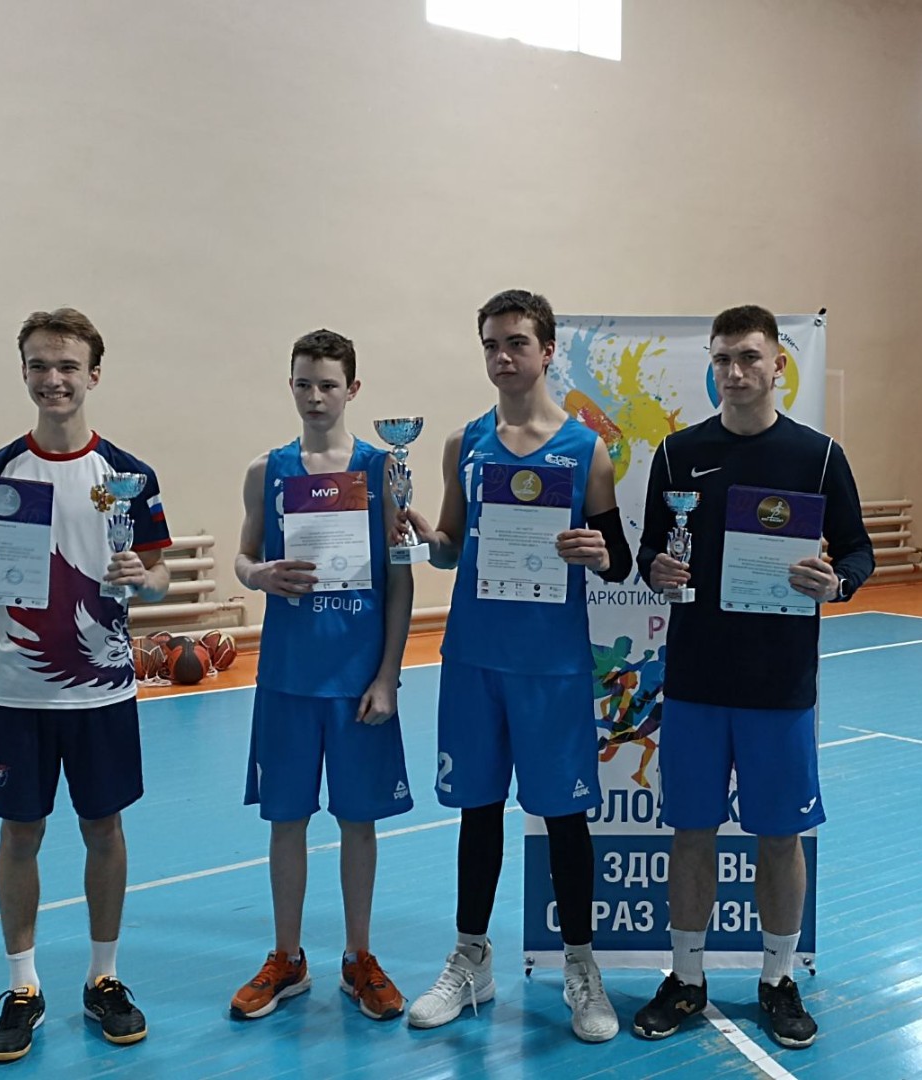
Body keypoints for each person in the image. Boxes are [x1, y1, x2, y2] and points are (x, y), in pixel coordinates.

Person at [631, 304, 873, 1049]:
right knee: (691, 832)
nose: (734, 372)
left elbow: (858, 551)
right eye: (722, 359)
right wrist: (656, 569)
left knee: (779, 835)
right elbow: (649, 552)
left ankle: (777, 979)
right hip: (697, 680)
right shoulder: (677, 454)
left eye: (748, 357)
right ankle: (686, 978)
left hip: (779, 685)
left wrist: (836, 582)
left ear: (777, 365)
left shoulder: (819, 457)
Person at [398, 289, 633, 1043]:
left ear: (547, 350)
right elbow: (450, 549)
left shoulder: (586, 450)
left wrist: (597, 551)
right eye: (492, 345)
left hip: (552, 665)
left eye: (517, 343)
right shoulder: (463, 443)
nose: (503, 357)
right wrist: (426, 537)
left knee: (564, 818)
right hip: (475, 658)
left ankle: (581, 967)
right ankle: (471, 960)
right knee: (477, 811)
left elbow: (618, 559)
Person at [0, 308, 172, 1062]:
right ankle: (23, 987)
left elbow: (160, 578)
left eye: (68, 365)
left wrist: (146, 579)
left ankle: (105, 978)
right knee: (20, 834)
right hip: (17, 691)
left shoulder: (129, 476)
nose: (54, 379)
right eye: (39, 365)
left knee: (104, 829)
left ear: (93, 374)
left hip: (103, 691)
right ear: (24, 373)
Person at [230, 329, 414, 1023]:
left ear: (352, 390)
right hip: (287, 678)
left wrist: (388, 674)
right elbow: (243, 557)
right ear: (291, 385)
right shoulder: (267, 470)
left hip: (357, 680)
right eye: (304, 383)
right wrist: (259, 575)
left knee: (358, 822)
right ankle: (287, 958)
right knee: (286, 821)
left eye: (328, 384)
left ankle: (359, 957)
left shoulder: (382, 470)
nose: (315, 396)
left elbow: (401, 581)